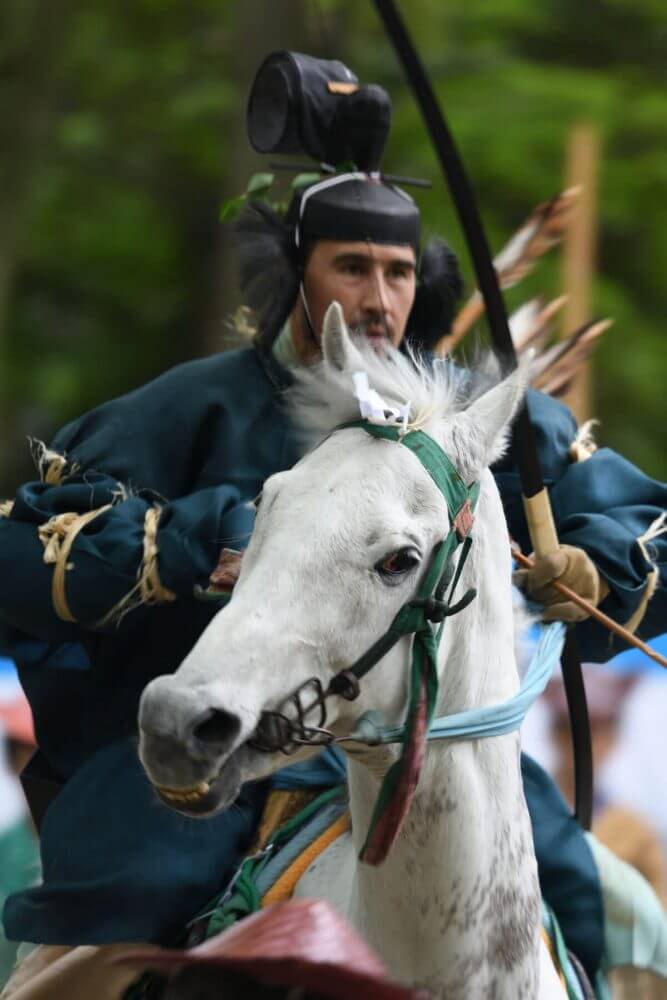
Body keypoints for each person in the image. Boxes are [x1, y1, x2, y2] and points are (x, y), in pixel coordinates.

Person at [0, 50, 664, 994]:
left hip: (428, 763)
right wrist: (199, 539)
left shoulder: (467, 423)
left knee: (631, 917)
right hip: (214, 755)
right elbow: (21, 552)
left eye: (397, 271)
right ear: (297, 274)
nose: (380, 298)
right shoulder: (192, 408)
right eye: (351, 266)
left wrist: (594, 573)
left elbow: (649, 527)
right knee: (97, 949)